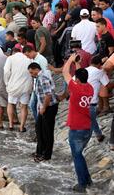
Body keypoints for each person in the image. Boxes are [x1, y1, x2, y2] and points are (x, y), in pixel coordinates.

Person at [62, 53, 94, 193]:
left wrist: (70, 60)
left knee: (77, 156)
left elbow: (65, 72)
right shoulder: (89, 88)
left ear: (77, 79)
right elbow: (79, 76)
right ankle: (87, 180)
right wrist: (78, 63)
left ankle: (82, 184)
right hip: (87, 128)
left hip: (77, 128)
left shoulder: (75, 87)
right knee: (80, 154)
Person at [28, 62, 58, 162]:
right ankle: (39, 151)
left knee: (47, 132)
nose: (31, 75)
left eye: (32, 72)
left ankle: (46, 155)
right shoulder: (39, 77)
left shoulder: (42, 78)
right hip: (43, 106)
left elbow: (48, 95)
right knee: (39, 129)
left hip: (49, 107)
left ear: (36, 69)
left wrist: (44, 107)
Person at [4, 50, 32, 131]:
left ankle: (11, 124)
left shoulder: (10, 58)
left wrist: (7, 82)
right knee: (24, 106)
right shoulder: (28, 59)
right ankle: (21, 127)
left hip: (13, 85)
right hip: (25, 86)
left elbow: (6, 71)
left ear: (13, 52)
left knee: (11, 104)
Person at [86, 56, 109, 143]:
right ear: (99, 64)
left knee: (91, 119)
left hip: (79, 100)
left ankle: (99, 135)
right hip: (91, 102)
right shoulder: (100, 72)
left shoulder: (84, 70)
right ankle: (97, 135)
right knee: (91, 119)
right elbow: (107, 84)